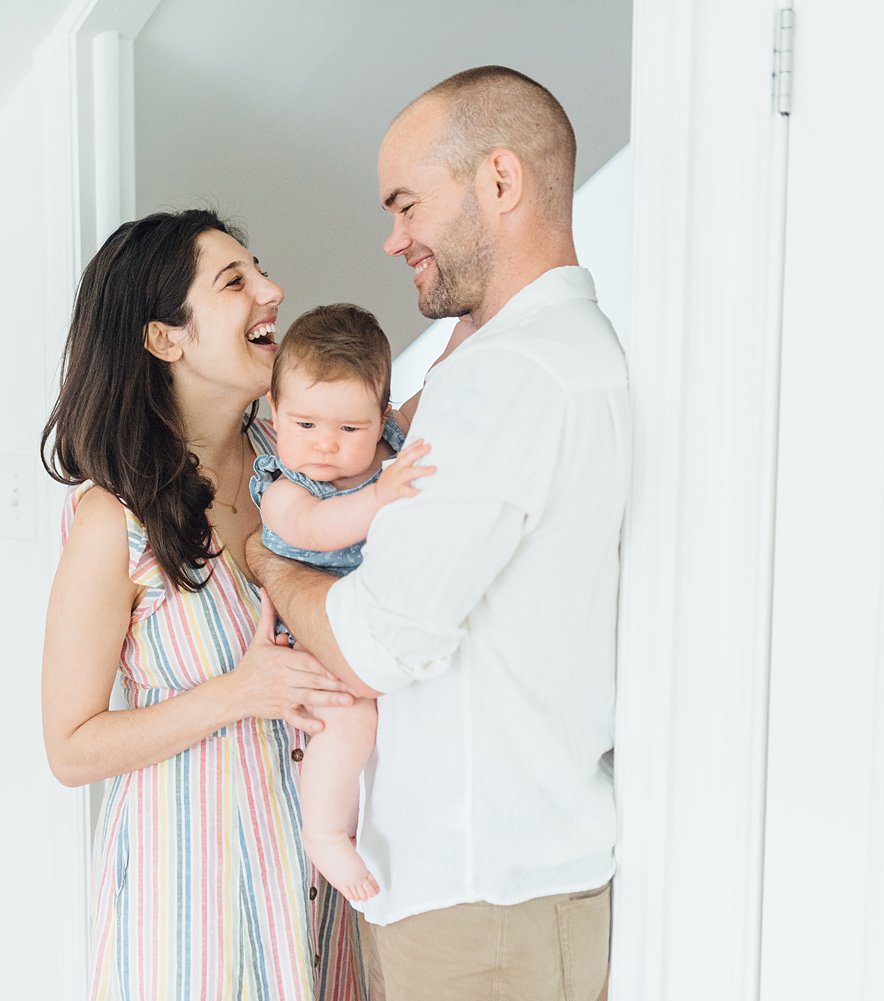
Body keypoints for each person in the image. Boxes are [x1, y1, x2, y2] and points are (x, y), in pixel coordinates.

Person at [247, 66, 630, 1001]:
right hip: (455, 887)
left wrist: (269, 560)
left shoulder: (520, 378)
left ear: (499, 181)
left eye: (408, 205)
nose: (393, 238)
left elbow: (379, 642)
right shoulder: (506, 363)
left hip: (483, 900)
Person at [40, 209, 367, 999]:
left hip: (319, 895)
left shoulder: (302, 469)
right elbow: (71, 747)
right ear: (164, 338)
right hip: (191, 907)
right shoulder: (109, 520)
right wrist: (238, 693)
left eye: (259, 268)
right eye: (235, 281)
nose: (272, 290)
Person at [248, 304, 433, 903]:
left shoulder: (389, 445)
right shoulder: (284, 490)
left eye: (350, 430)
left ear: (381, 420)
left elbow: (439, 389)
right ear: (274, 416)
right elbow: (319, 528)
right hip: (317, 638)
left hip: (378, 622)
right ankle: (324, 832)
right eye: (304, 425)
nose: (325, 445)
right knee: (349, 716)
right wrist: (380, 495)